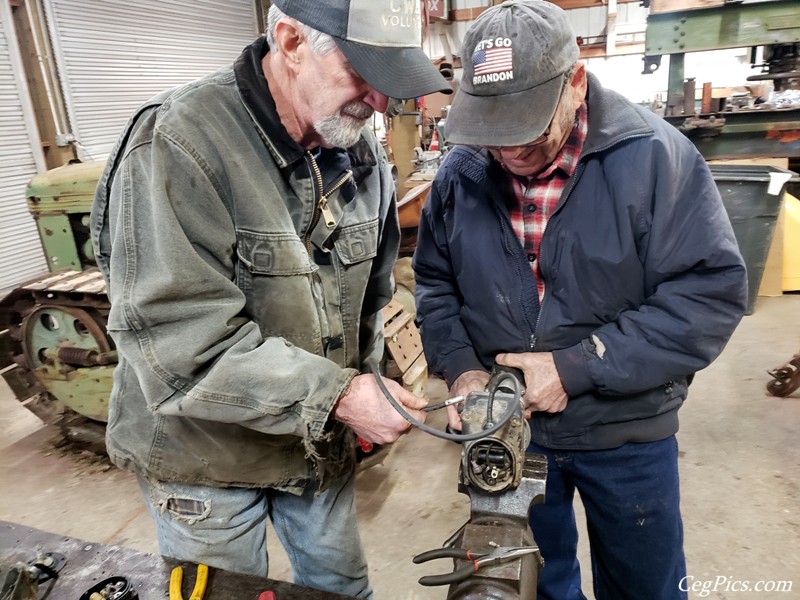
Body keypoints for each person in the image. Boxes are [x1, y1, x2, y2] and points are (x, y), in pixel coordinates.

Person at [90, 0, 451, 597]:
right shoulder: (179, 144)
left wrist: (367, 392)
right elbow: (181, 347)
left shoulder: (360, 156)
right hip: (204, 462)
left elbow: (370, 303)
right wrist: (340, 395)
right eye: (363, 74)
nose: (381, 102)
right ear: (289, 42)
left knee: (340, 589)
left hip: (315, 445)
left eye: (390, 81)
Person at [412, 1, 747, 599]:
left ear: (574, 81)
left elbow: (708, 296)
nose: (509, 152)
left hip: (625, 432)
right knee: (533, 584)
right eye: (493, 132)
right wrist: (462, 370)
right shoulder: (459, 175)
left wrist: (575, 367)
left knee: (646, 588)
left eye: (526, 128)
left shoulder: (656, 159)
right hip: (510, 433)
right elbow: (436, 286)